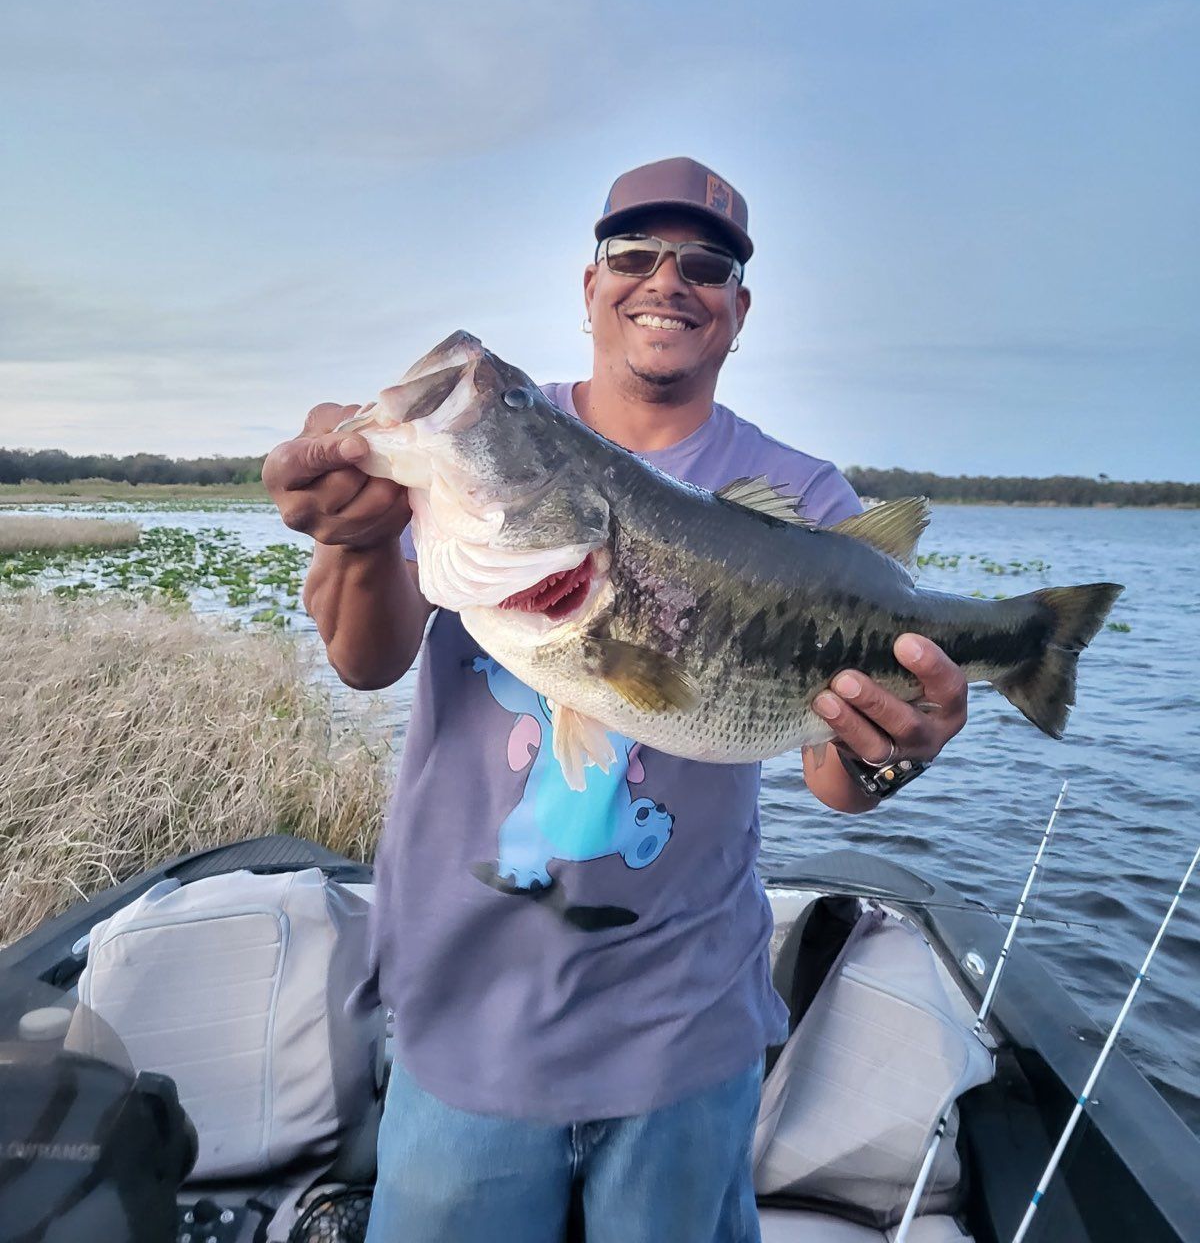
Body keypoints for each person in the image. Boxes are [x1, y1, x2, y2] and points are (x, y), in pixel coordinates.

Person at [262, 157, 969, 1243]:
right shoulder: (497, 443)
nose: (667, 280)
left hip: (683, 1022)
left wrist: (893, 747)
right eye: (633, 255)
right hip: (466, 1011)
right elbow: (366, 660)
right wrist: (358, 534)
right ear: (589, 288)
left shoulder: (810, 503)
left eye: (707, 263)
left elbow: (835, 775)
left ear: (738, 308)